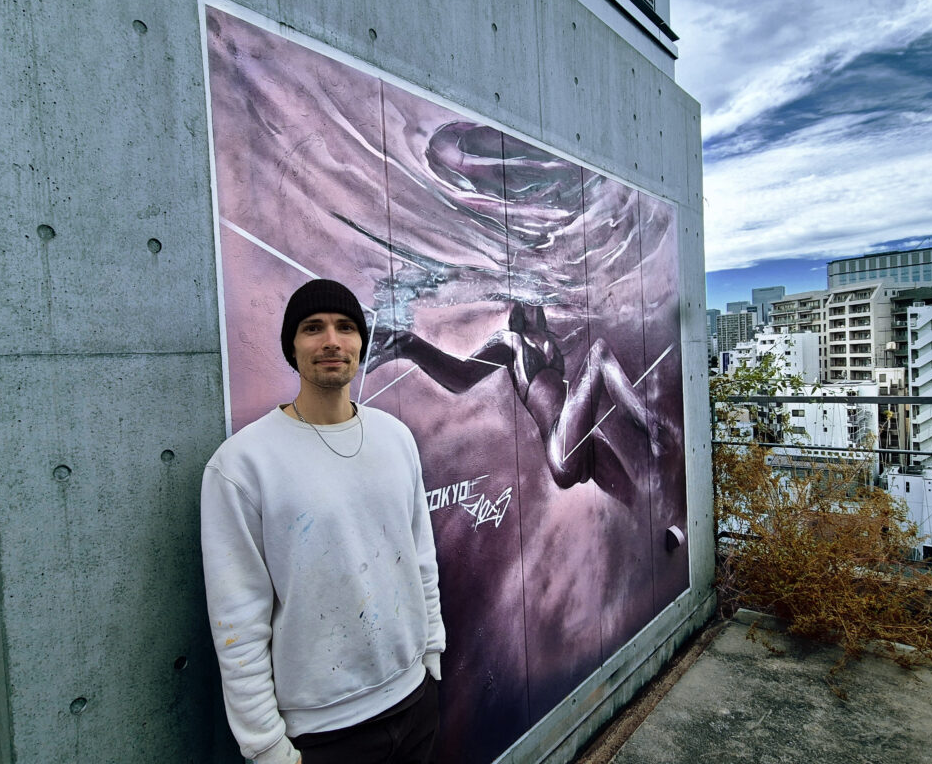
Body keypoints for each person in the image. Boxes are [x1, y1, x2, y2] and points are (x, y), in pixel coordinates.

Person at [202, 279, 446, 764]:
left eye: (346, 327)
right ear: (292, 347)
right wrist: (266, 746)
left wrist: (432, 653)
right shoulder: (242, 465)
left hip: (415, 699)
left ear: (361, 343)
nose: (331, 340)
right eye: (313, 328)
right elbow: (238, 619)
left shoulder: (395, 437)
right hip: (322, 733)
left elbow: (421, 558)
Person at [368, 301, 676, 507]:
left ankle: (665, 526)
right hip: (561, 447)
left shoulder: (547, 337)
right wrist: (410, 346)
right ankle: (653, 428)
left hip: (585, 444)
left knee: (639, 505)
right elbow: (461, 377)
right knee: (600, 354)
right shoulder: (510, 342)